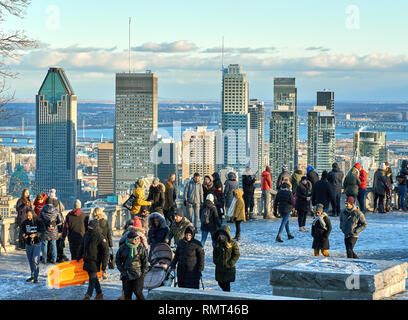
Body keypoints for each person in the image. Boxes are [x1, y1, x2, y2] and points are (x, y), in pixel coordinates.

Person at [77, 219, 109, 300]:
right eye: (89, 226)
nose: (89, 228)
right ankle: (99, 294)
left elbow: (106, 252)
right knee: (93, 278)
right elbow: (82, 245)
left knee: (92, 278)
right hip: (87, 259)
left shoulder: (100, 236)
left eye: (90, 227)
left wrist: (104, 265)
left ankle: (88, 295)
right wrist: (78, 256)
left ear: (95, 227)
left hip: (95, 261)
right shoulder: (87, 234)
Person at [116, 231, 149, 300]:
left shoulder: (140, 248)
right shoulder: (122, 248)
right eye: (134, 239)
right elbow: (118, 261)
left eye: (137, 238)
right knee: (127, 294)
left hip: (138, 274)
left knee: (138, 292)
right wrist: (123, 271)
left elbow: (145, 262)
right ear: (129, 239)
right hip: (126, 274)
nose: (136, 240)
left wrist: (143, 273)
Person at [212, 225, 240, 292]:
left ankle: (227, 297)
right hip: (219, 267)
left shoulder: (232, 243)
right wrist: (216, 261)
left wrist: (230, 263)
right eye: (220, 236)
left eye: (222, 236)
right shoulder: (217, 243)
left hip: (228, 268)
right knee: (220, 283)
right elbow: (214, 253)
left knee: (226, 285)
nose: (221, 238)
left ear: (226, 235)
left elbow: (236, 254)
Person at [21, 208, 45, 283]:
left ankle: (36, 276)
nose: (28, 217)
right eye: (27, 216)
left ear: (33, 214)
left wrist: (36, 235)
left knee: (35, 259)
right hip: (28, 243)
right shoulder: (25, 222)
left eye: (30, 215)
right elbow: (22, 230)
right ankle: (32, 275)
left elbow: (43, 231)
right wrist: (23, 234)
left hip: (37, 243)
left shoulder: (39, 221)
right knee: (30, 260)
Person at [45, 190, 67, 263]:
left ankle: (48, 256)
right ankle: (57, 256)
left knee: (47, 243)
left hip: (47, 226)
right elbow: (62, 210)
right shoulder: (58, 202)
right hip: (57, 226)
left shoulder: (46, 205)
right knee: (57, 241)